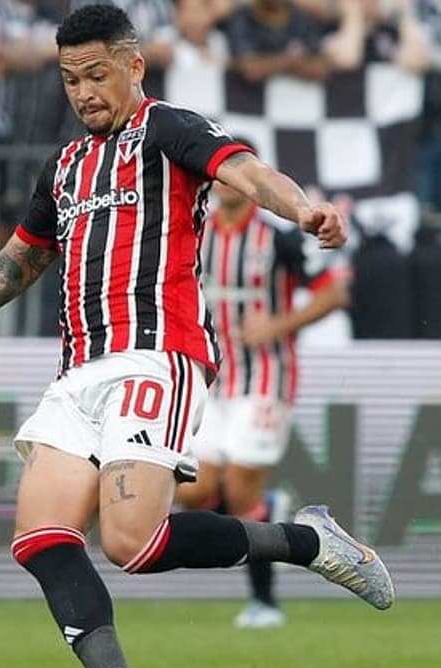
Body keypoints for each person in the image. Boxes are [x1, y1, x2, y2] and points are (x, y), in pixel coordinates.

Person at [0, 7, 393, 668]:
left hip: (156, 359)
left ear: (133, 67)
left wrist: (302, 211)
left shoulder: (169, 130)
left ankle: (308, 543)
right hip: (78, 373)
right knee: (41, 538)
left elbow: (246, 170)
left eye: (96, 75)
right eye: (69, 79)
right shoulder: (63, 166)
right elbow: (13, 265)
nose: (83, 92)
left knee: (132, 543)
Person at [177, 142, 350, 629]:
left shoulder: (278, 240)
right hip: (209, 381)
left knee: (236, 490)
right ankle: (265, 510)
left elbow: (334, 294)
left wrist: (277, 326)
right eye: (220, 177)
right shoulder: (195, 235)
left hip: (264, 380)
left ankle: (264, 603)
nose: (226, 184)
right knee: (194, 492)